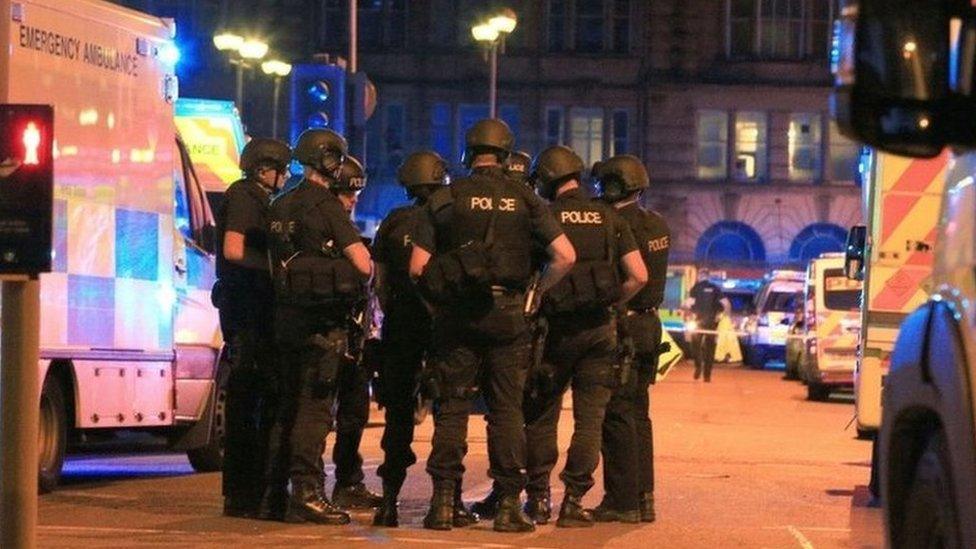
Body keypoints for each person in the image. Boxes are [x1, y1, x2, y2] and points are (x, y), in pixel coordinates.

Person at [409, 119, 576, 532]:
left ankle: (443, 504)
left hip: (457, 317)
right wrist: (535, 293)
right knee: (506, 412)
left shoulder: (446, 199)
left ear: (469, 153)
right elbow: (565, 255)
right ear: (505, 153)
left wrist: (439, 306)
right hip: (508, 315)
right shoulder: (525, 199)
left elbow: (417, 269)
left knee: (452, 409)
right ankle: (506, 507)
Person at [519, 145, 648, 527]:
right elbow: (639, 275)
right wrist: (611, 302)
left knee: (542, 416)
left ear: (545, 180)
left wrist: (538, 295)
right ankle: (573, 500)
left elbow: (534, 269)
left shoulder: (544, 216)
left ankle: (538, 498)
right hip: (599, 332)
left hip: (554, 334)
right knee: (589, 420)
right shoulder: (609, 218)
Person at [262, 129, 372, 525]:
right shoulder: (326, 206)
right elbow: (363, 265)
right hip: (321, 326)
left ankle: (273, 495)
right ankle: (308, 493)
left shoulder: (280, 202)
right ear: (332, 161)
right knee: (314, 412)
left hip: (284, 319)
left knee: (285, 409)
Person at [591, 154, 672, 524]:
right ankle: (644, 497)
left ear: (613, 186)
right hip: (651, 326)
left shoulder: (616, 223)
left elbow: (633, 277)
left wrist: (613, 303)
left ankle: (621, 501)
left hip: (625, 325)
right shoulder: (656, 223)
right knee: (640, 414)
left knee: (617, 413)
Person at [213, 137, 290, 518]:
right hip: (245, 313)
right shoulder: (245, 195)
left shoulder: (257, 197)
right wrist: (276, 269)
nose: (286, 175)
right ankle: (242, 493)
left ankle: (249, 491)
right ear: (264, 170)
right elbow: (233, 248)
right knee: (246, 402)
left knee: (254, 400)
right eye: (282, 169)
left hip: (250, 312)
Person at [371, 150, 450, 527]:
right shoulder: (446, 218)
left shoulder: (392, 221)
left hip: (400, 324)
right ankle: (445, 502)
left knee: (398, 414)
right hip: (440, 324)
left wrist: (395, 313)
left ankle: (388, 502)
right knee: (449, 411)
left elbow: (381, 283)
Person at [328, 156, 383, 510]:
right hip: (325, 333)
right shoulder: (321, 225)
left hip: (353, 336)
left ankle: (348, 481)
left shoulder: (350, 231)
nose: (353, 202)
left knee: (354, 412)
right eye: (349, 194)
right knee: (315, 416)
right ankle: (309, 485)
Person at [686, 268, 731, 383]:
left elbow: (688, 304)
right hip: (712, 323)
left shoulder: (695, 288)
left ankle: (698, 366)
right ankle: (707, 375)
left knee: (695, 345)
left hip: (698, 322)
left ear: (700, 276)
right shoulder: (715, 288)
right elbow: (726, 304)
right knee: (710, 349)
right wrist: (722, 317)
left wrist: (687, 313)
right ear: (708, 276)